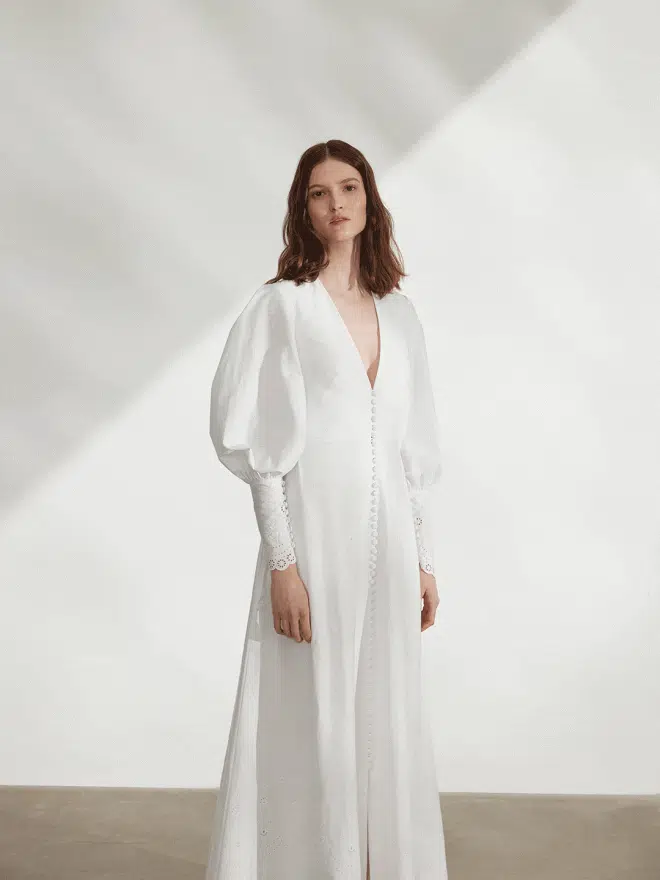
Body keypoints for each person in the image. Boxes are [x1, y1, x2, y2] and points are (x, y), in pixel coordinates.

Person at [205, 139, 449, 879]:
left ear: (369, 199)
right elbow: (260, 449)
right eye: (319, 192)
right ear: (303, 209)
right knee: (308, 714)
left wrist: (424, 560)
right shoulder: (283, 307)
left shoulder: (400, 315)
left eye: (349, 187)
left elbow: (411, 454)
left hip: (389, 551)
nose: (336, 203)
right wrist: (283, 564)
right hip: (313, 542)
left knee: (384, 714)